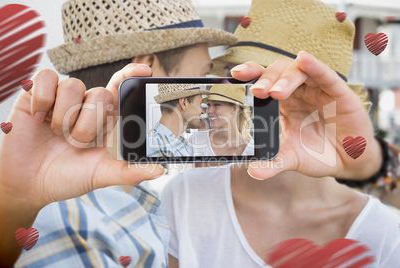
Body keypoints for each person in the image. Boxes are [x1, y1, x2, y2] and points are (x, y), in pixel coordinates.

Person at [161, 0, 400, 267]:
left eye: (288, 85)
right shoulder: (186, 196)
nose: (259, 95)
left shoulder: (384, 234)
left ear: (328, 99)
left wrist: (369, 165)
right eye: (241, 82)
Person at [0, 0, 237, 267]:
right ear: (146, 67)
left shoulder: (126, 196)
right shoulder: (74, 223)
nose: (205, 95)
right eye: (202, 74)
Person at [189, 84, 254, 156]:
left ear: (235, 108)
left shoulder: (252, 149)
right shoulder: (196, 140)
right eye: (208, 105)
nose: (209, 111)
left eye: (216, 104)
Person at [147, 84, 208, 157]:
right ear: (184, 103)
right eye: (200, 103)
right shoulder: (155, 145)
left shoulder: (183, 142)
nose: (203, 111)